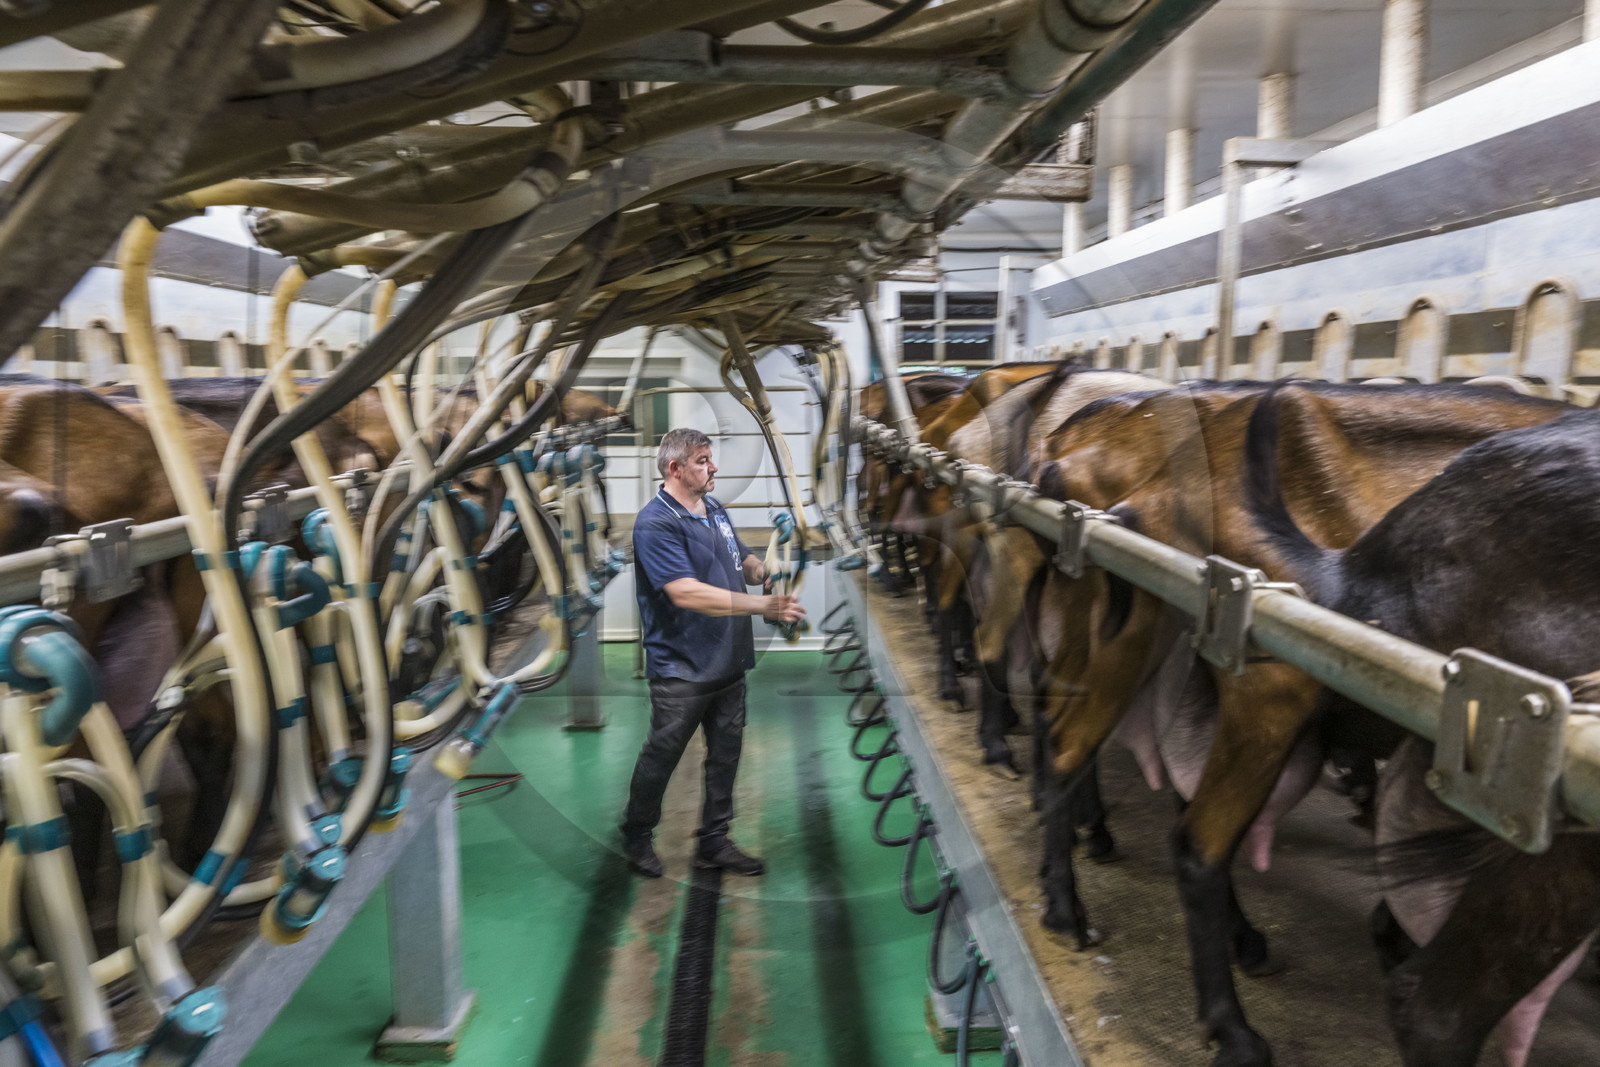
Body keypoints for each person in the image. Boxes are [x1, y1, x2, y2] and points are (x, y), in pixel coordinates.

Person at [620, 427, 806, 878]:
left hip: (727, 660)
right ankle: (637, 835)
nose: (713, 467)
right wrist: (764, 605)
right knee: (662, 754)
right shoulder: (655, 522)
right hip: (681, 667)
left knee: (726, 753)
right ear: (675, 468)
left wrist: (767, 568)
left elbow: (740, 558)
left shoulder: (713, 507)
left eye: (710, 458)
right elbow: (686, 593)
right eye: (703, 460)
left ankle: (714, 840)